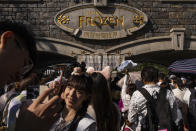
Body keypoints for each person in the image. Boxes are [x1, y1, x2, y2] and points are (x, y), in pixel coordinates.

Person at [127, 66, 179, 131]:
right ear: (157, 78)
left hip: (144, 128)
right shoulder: (168, 92)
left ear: (143, 78)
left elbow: (131, 119)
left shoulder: (137, 94)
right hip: (164, 128)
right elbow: (174, 115)